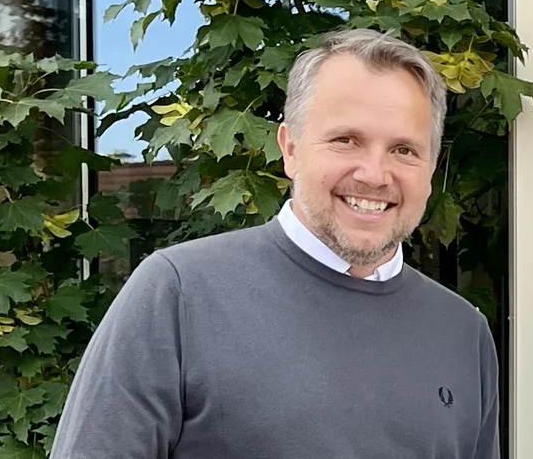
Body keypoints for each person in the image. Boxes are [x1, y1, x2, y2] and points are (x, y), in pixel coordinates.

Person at [51, 29, 500, 459]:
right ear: (290, 148)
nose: (375, 174)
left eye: (404, 150)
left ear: (431, 166)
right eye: (346, 140)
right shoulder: (179, 295)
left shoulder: (463, 332)